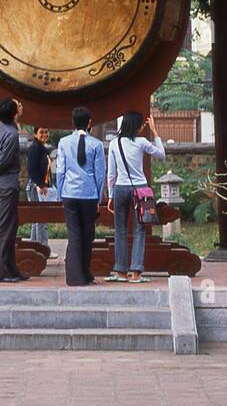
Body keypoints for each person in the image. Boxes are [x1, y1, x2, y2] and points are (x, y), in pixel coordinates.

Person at [106, 111, 165, 283]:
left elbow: (111, 173)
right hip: (141, 190)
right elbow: (161, 154)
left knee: (120, 231)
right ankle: (136, 273)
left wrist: (111, 196)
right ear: (137, 126)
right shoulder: (142, 142)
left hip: (120, 189)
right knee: (139, 230)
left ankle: (121, 272)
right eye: (141, 125)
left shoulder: (114, 143)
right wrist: (155, 132)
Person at [56, 106, 105, 286]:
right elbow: (100, 173)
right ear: (90, 123)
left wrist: (61, 194)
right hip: (89, 194)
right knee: (87, 234)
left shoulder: (63, 142)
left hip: (69, 193)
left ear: (73, 123)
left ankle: (76, 275)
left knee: (74, 233)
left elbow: (60, 170)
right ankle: (84, 273)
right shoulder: (97, 144)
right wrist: (99, 197)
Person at [0, 96, 28, 283]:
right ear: (13, 113)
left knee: (10, 226)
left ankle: (12, 269)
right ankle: (0, 271)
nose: (20, 106)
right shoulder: (11, 134)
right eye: (17, 106)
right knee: (4, 228)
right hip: (7, 184)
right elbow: (3, 159)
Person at [25, 126, 54, 252]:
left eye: (46, 131)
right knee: (41, 218)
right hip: (34, 187)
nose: (44, 134)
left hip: (39, 185)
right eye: (41, 132)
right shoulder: (35, 148)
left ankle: (35, 247)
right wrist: (40, 185)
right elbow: (31, 169)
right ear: (35, 134)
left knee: (37, 219)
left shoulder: (42, 148)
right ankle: (42, 248)